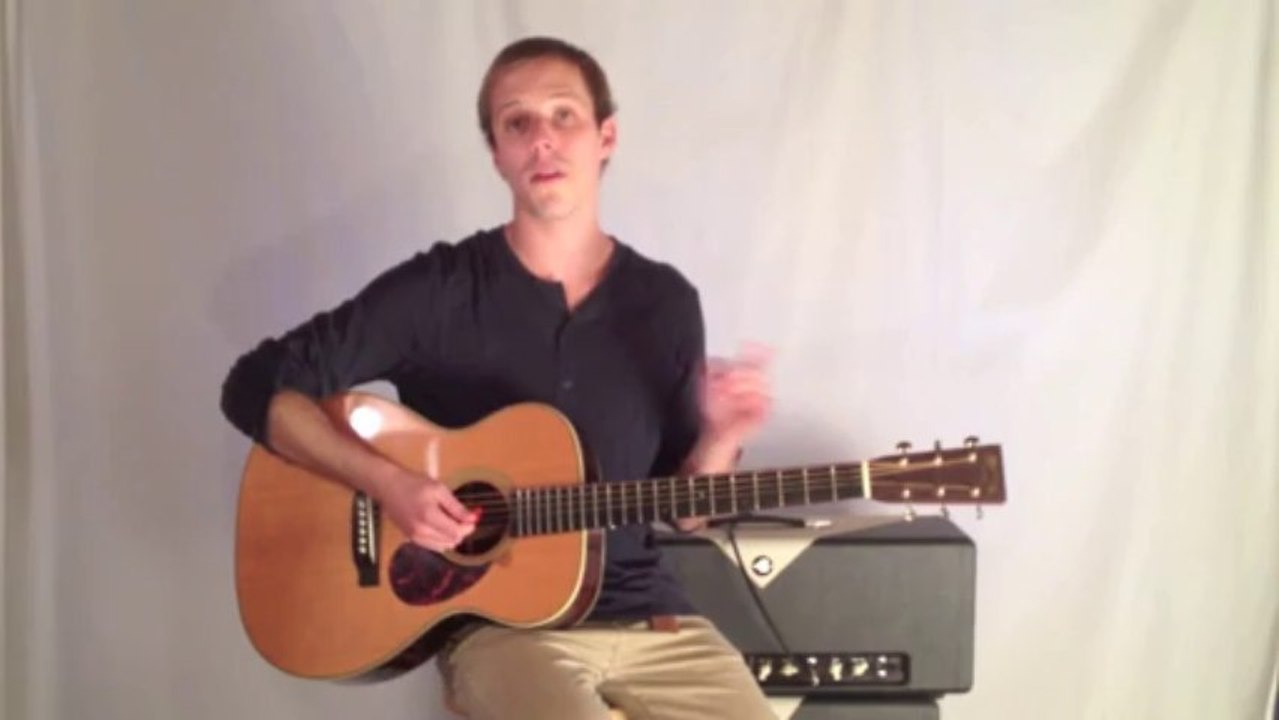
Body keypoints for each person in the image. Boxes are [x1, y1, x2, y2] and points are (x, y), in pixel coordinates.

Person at [220, 36, 777, 720]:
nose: (542, 139)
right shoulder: (438, 291)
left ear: (605, 136)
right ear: (497, 154)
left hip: (653, 621)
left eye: (563, 115)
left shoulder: (665, 303)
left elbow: (685, 507)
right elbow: (256, 386)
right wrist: (387, 483)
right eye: (517, 123)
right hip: (502, 634)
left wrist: (723, 436)